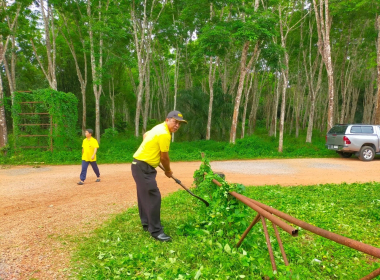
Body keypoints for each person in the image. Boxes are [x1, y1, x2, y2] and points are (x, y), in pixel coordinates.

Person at [131, 110, 187, 242]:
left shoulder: (159, 127)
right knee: (153, 197)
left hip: (139, 165)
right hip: (143, 167)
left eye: (179, 123)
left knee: (144, 195)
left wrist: (149, 145)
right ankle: (156, 231)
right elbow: (164, 157)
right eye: (175, 122)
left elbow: (146, 135)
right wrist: (168, 171)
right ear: (167, 119)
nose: (177, 125)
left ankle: (147, 223)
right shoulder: (164, 133)